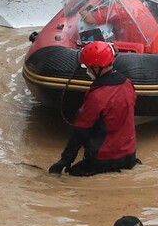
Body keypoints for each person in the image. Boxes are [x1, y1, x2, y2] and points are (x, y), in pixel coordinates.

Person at [47, 42, 140, 176]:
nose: (88, 71)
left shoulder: (97, 96)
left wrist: (65, 160)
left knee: (69, 175)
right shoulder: (127, 84)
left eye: (89, 68)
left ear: (96, 67)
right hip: (130, 156)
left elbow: (81, 130)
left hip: (104, 159)